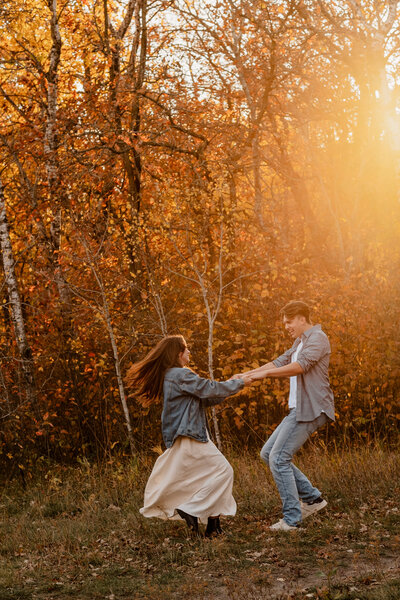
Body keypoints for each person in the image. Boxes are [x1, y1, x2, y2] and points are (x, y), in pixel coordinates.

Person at [126, 335, 253, 538]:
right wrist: (237, 384)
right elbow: (208, 388)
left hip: (188, 434)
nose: (189, 352)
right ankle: (191, 509)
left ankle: (213, 526)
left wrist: (233, 383)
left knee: (209, 477)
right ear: (178, 354)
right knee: (224, 471)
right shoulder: (180, 375)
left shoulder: (173, 375)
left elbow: (206, 397)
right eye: (186, 349)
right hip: (191, 436)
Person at [233, 300, 334, 531]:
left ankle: (292, 520)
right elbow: (279, 362)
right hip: (299, 409)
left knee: (278, 458)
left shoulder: (318, 338)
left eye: (289, 322)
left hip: (311, 408)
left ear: (301, 318)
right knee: (268, 453)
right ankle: (313, 499)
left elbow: (300, 366)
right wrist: (246, 374)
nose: (286, 327)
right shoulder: (300, 341)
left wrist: (265, 375)